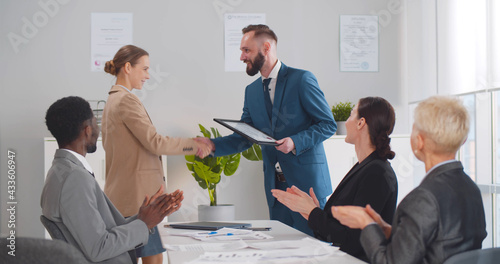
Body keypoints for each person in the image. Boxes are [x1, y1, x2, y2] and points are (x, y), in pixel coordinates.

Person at [200, 24, 337, 235]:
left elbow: (328, 125)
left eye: (247, 50)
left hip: (306, 187)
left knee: (313, 249)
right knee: (280, 249)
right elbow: (245, 136)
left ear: (266, 47)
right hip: (276, 189)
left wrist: (295, 142)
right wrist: (212, 145)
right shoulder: (251, 91)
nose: (242, 57)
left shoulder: (302, 79)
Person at [331, 96, 487, 264]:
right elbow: (439, 244)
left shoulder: (423, 199)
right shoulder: (472, 189)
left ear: (419, 141)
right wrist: (383, 229)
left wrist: (366, 223)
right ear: (463, 140)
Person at [41, 96, 184, 264]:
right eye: (96, 123)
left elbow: (100, 232)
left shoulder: (60, 171)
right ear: (87, 130)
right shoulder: (74, 179)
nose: (98, 129)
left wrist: (146, 216)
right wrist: (144, 223)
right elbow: (99, 247)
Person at [102, 45, 211, 264]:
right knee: (154, 261)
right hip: (140, 202)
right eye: (144, 69)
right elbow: (155, 142)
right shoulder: (126, 100)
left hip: (124, 199)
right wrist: (194, 145)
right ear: (127, 67)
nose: (148, 76)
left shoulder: (112, 101)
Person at [272, 96, 398, 261]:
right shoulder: (365, 167)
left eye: (351, 115)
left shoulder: (377, 173)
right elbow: (341, 231)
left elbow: (354, 241)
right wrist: (312, 211)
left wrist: (313, 212)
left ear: (361, 123)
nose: (345, 123)